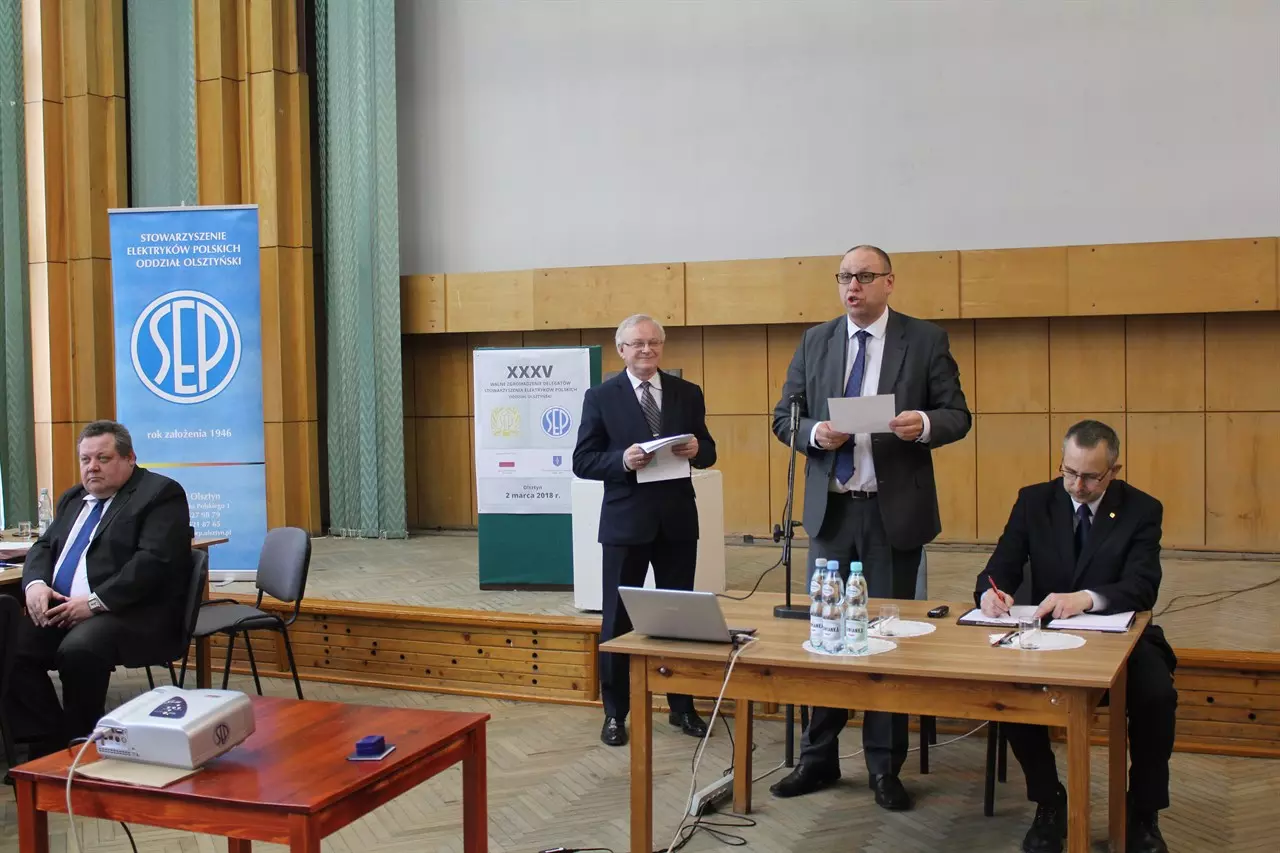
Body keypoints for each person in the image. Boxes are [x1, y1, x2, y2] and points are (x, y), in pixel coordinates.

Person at [769, 245, 972, 810]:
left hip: (891, 512)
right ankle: (818, 757)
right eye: (844, 277)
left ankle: (885, 766)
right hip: (831, 513)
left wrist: (923, 423)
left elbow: (958, 414)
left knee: (886, 637)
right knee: (825, 633)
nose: (851, 286)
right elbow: (784, 416)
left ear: (889, 282)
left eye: (863, 276)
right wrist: (815, 434)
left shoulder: (924, 339)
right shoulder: (816, 340)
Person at [977, 419, 1174, 853]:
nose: (1077, 485)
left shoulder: (1142, 509)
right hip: (1046, 635)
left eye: (1090, 476)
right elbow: (1001, 565)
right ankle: (1049, 801)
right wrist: (991, 593)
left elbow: (1143, 586)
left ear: (1113, 471)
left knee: (1157, 694)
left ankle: (1143, 812)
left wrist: (1086, 598)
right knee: (1008, 689)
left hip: (1119, 633)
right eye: (1069, 472)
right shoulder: (1034, 501)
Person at [3, 420, 193, 757]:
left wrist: (94, 603)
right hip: (63, 607)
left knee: (80, 649)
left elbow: (153, 563)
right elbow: (44, 546)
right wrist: (35, 585)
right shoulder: (74, 497)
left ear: (129, 458)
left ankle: (82, 745)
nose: (92, 467)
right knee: (10, 644)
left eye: (103, 458)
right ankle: (50, 742)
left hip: (129, 612)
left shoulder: (160, 494)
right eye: (85, 459)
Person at [573, 314, 717, 747]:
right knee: (617, 618)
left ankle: (682, 706)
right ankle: (615, 713)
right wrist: (622, 460)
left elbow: (708, 450)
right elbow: (583, 461)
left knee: (679, 615)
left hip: (677, 520)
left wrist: (699, 449)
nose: (647, 350)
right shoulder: (600, 397)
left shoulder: (687, 392)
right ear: (621, 350)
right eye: (637, 344)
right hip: (626, 522)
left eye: (654, 342)